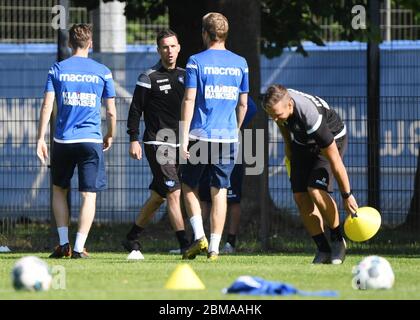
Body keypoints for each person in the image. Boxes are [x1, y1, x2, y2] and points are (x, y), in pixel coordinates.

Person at [36, 24, 117, 259]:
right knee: (88, 194)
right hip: (91, 140)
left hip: (62, 140)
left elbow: (47, 106)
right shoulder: (103, 71)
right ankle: (80, 247)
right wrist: (110, 134)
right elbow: (111, 112)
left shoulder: (58, 68)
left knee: (59, 189)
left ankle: (63, 244)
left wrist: (41, 138)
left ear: (70, 43)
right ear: (90, 43)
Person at [262, 85, 358, 264]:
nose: (274, 118)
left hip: (331, 139)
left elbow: (336, 162)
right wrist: (288, 146)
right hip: (302, 141)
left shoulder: (310, 116)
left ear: (290, 106)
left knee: (314, 189)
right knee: (300, 196)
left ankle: (338, 241)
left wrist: (347, 195)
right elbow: (282, 123)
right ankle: (323, 249)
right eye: (271, 115)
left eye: (277, 114)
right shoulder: (278, 105)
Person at [180, 12, 249, 261]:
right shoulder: (241, 63)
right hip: (228, 136)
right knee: (219, 190)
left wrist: (183, 136)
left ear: (205, 34)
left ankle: (199, 236)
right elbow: (243, 104)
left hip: (200, 133)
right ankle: (215, 248)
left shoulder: (195, 61)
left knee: (187, 185)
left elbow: (189, 98)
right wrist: (236, 129)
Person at [122, 29, 190, 255]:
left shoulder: (187, 76)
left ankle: (132, 237)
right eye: (165, 47)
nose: (169, 51)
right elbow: (135, 110)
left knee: (159, 196)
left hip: (181, 144)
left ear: (179, 47)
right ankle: (185, 244)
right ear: (158, 50)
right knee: (174, 193)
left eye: (173, 46)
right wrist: (133, 138)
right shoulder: (148, 77)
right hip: (157, 143)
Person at [199, 97, 257, 254]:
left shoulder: (232, 80)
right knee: (203, 195)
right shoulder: (205, 80)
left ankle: (230, 243)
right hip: (204, 144)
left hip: (229, 147)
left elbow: (250, 107)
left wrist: (234, 127)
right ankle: (197, 240)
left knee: (232, 197)